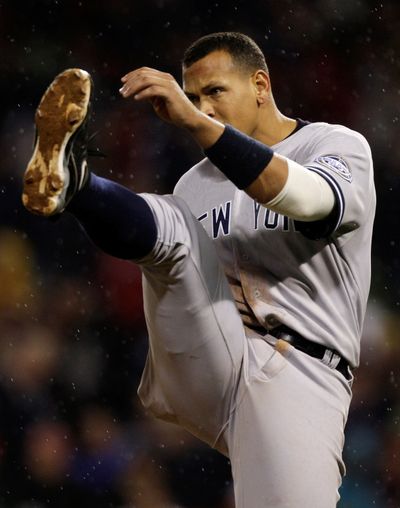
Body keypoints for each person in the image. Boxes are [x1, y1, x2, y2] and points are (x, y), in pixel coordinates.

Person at [22, 32, 375, 507]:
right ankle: (77, 183)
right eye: (192, 97)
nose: (201, 108)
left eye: (215, 92)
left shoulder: (333, 144)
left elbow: (309, 200)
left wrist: (192, 120)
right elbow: (147, 246)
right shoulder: (196, 183)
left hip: (302, 370)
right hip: (215, 354)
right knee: (174, 229)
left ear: (261, 85)